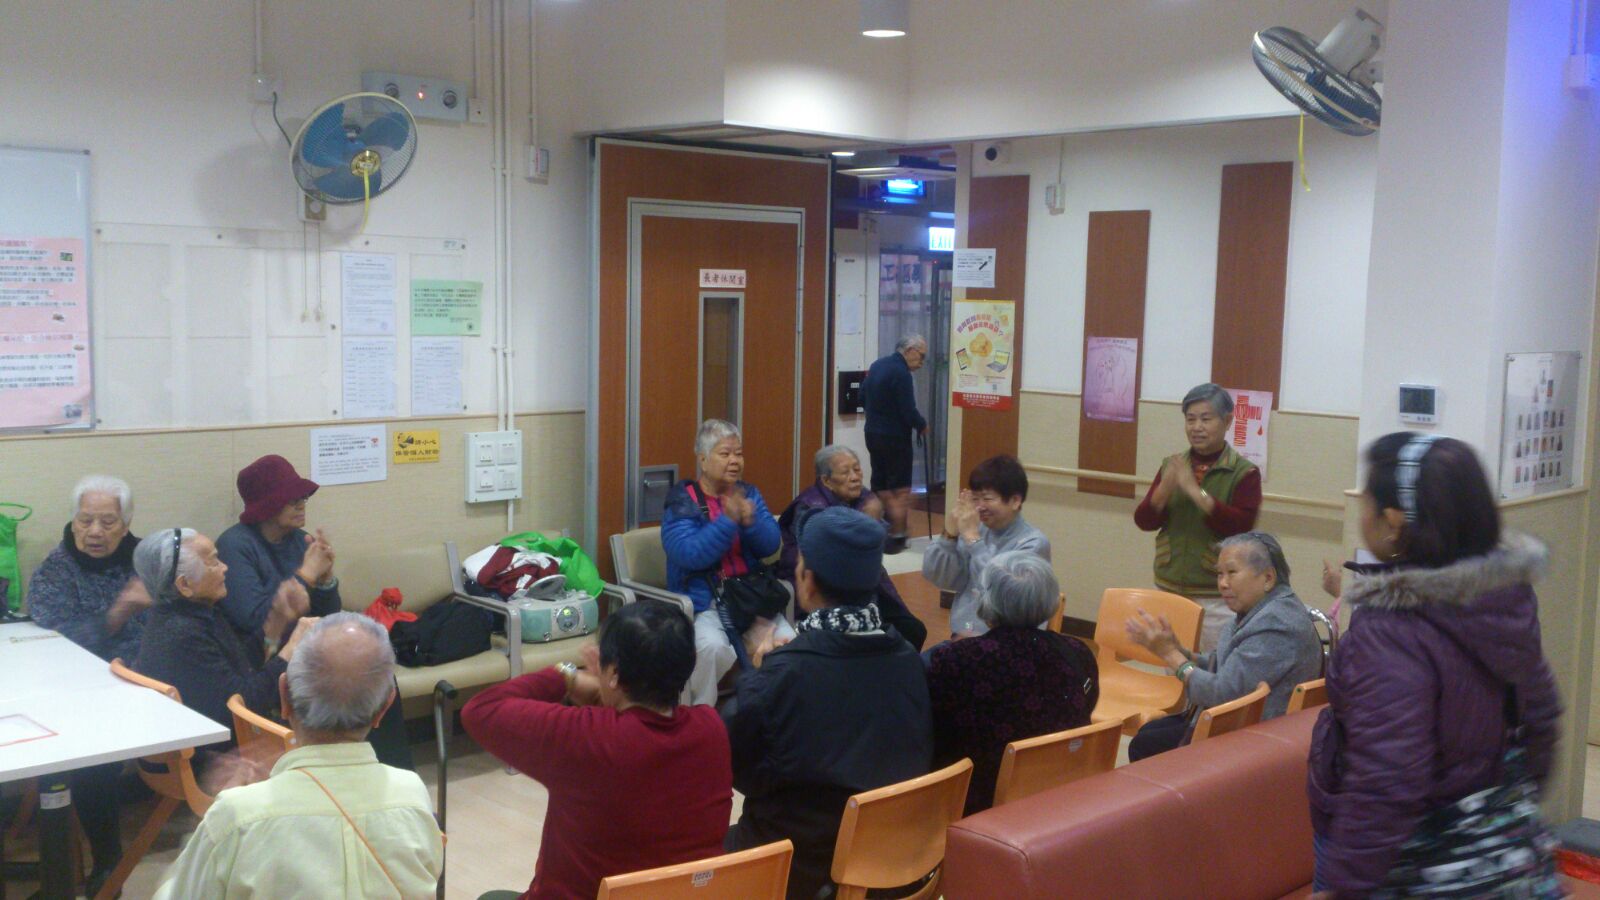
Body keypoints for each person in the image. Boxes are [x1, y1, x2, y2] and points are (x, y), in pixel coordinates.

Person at [1308, 434, 1562, 898]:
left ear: (1392, 522)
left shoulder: (1390, 629)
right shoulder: (1505, 600)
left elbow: (1388, 776)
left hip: (1414, 864)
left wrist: (1345, 884)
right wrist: (1500, 809)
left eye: (1366, 501)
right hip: (1507, 856)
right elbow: (1542, 715)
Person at [153, 613, 443, 899]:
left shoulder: (236, 816)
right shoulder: (413, 796)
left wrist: (205, 825)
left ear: (284, 697)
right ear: (384, 708)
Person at [725, 506, 932, 899]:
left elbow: (738, 771)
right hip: (893, 869)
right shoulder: (909, 660)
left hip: (799, 874)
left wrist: (759, 675)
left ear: (807, 581)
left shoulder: (782, 675)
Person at [462, 600, 731, 900]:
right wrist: (608, 696)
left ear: (614, 672)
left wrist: (565, 674)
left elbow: (480, 710)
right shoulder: (712, 730)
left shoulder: (586, 736)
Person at [24, 475, 149, 896]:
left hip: (145, 681)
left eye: (108, 522)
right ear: (74, 521)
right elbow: (55, 638)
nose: (95, 531)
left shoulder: (146, 562)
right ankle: (100, 862)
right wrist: (118, 613)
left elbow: (165, 624)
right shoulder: (56, 569)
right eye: (85, 520)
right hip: (78, 688)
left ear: (126, 524)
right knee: (90, 756)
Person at [1123, 531, 1323, 761]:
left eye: (1232, 572)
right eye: (1219, 574)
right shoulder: (1262, 609)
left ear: (1268, 578)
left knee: (1144, 745)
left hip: (1255, 742)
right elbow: (1224, 664)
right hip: (1239, 723)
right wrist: (1180, 651)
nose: (1222, 583)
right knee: (1149, 732)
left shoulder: (1276, 625)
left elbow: (1222, 694)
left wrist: (1172, 657)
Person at [926, 551, 1098, 814]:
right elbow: (1087, 704)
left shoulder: (955, 659)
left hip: (975, 800)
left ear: (985, 600)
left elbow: (930, 725)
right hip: (1060, 792)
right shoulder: (1078, 652)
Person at [132, 528, 317, 772]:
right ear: (184, 585)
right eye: (213, 562)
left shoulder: (186, 614)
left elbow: (240, 667)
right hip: (215, 760)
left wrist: (277, 622)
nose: (225, 567)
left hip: (218, 741)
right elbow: (244, 705)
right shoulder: (182, 633)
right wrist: (294, 646)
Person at [661, 419, 793, 705]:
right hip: (706, 602)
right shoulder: (682, 501)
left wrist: (750, 522)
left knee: (789, 646)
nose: (735, 461)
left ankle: (774, 718)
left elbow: (771, 545)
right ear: (703, 459)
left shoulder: (748, 493)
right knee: (712, 648)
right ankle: (700, 715)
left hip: (752, 598)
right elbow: (689, 554)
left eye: (739, 453)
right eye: (725, 454)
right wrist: (728, 521)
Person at [1133, 383, 1262, 652]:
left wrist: (1195, 491)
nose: (1197, 427)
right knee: (1172, 662)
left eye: (1206, 419)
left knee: (1214, 665)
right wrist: (1164, 489)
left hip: (1216, 593)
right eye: (1190, 419)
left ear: (1227, 421)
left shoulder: (1244, 472)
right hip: (1168, 583)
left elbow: (1240, 527)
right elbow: (1144, 521)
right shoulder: (1172, 465)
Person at [777, 444, 928, 649]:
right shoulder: (810, 507)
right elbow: (832, 560)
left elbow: (887, 546)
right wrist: (867, 527)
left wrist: (898, 523)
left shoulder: (863, 497)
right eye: (845, 472)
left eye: (857, 469)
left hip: (862, 587)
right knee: (888, 639)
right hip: (822, 590)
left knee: (913, 630)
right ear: (826, 480)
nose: (855, 477)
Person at [215, 454, 340, 667]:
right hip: (259, 658)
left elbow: (328, 616)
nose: (301, 506)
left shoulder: (301, 540)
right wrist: (307, 574)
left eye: (303, 498)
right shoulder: (234, 546)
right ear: (266, 506)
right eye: (292, 500)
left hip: (304, 648)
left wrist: (325, 580)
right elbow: (253, 621)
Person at [922, 454, 1051, 638]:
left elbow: (1003, 592)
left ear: (1015, 501)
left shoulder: (1034, 543)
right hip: (965, 634)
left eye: (987, 499)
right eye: (975, 499)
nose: (979, 507)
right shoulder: (977, 529)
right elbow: (941, 579)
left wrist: (973, 540)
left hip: (1010, 642)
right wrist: (949, 535)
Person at [862, 334, 928, 553]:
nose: (922, 363)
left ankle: (873, 532)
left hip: (872, 434)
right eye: (921, 356)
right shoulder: (902, 373)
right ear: (909, 350)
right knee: (899, 489)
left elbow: (862, 396)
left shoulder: (877, 365)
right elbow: (908, 410)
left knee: (880, 484)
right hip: (895, 438)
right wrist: (921, 425)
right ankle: (898, 535)